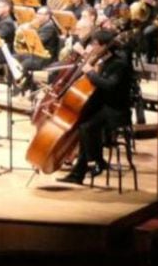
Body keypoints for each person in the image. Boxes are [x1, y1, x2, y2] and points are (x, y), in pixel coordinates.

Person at [57, 29, 133, 185]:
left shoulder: (119, 64)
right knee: (83, 122)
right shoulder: (105, 60)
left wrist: (91, 73)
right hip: (105, 105)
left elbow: (109, 85)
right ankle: (79, 173)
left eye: (95, 44)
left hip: (116, 110)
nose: (91, 46)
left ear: (104, 46)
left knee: (86, 127)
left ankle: (97, 161)